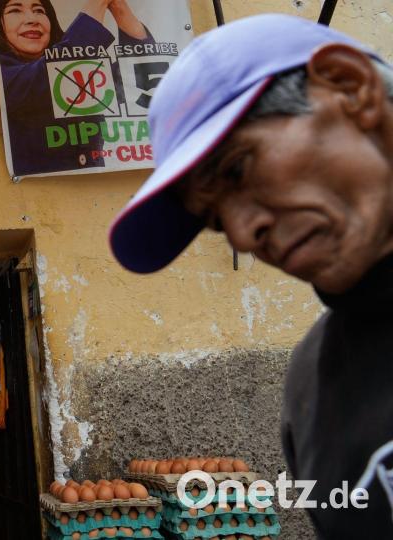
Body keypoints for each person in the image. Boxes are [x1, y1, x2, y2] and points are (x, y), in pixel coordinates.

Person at [107, 14, 393, 537]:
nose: (241, 234)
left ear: (351, 86)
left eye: (238, 168)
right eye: (216, 221)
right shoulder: (313, 389)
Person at [0, 0, 154, 176]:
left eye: (39, 10)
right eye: (15, 10)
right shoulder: (1, 75)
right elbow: (55, 71)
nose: (32, 19)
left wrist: (119, 8)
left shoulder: (82, 72)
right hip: (38, 191)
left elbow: (137, 77)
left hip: (94, 186)